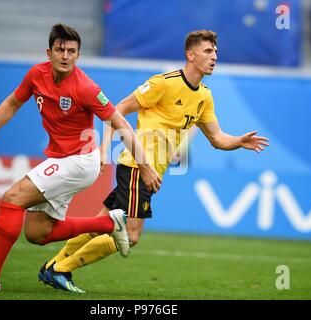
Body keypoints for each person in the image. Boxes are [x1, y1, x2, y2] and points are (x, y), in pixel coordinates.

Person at [39, 29, 270, 293]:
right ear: (190, 55)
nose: (214, 56)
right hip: (138, 167)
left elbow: (217, 139)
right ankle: (62, 269)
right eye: (208, 51)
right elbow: (118, 110)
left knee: (99, 223)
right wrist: (104, 148)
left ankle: (53, 264)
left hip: (147, 171)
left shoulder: (204, 96)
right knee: (132, 235)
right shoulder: (163, 83)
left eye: (216, 51)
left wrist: (239, 141)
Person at [0, 23, 161, 293]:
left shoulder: (85, 87)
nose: (65, 56)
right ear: (49, 52)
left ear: (78, 56)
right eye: (60, 50)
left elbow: (122, 125)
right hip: (59, 159)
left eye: (71, 51)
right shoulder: (37, 74)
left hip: (80, 161)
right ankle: (109, 222)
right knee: (38, 234)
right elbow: (13, 102)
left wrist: (144, 167)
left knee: (12, 199)